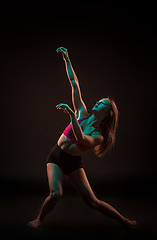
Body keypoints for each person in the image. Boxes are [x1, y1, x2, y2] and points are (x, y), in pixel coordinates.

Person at [28, 47, 137, 229]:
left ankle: (125, 221)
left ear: (108, 112)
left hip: (73, 162)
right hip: (56, 156)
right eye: (99, 100)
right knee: (56, 194)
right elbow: (74, 83)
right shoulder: (82, 112)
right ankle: (39, 220)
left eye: (102, 102)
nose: (97, 101)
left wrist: (71, 116)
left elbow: (81, 138)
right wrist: (67, 59)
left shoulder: (98, 136)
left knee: (92, 202)